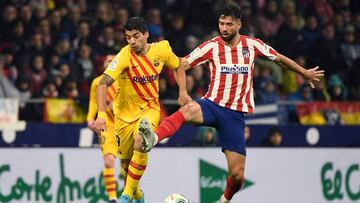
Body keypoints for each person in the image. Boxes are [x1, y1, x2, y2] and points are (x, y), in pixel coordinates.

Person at [138, 4, 324, 203]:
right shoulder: (211, 46)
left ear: (239, 24)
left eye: (228, 24)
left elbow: (278, 58)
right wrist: (183, 92)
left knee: (237, 175)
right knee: (189, 108)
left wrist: (303, 72)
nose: (224, 28)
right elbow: (181, 64)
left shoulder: (252, 45)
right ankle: (153, 138)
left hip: (234, 116)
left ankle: (224, 200)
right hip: (211, 105)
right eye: (221, 23)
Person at [92, 17, 187, 203]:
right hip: (123, 116)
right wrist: (101, 114)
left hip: (150, 110)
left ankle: (125, 196)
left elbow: (179, 65)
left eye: (136, 36)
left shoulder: (162, 49)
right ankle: (138, 197)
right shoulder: (124, 56)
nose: (132, 41)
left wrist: (182, 92)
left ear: (146, 34)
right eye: (128, 37)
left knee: (141, 141)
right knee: (126, 168)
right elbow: (102, 84)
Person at [87, 55, 119, 203]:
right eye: (108, 61)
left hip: (124, 124)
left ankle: (128, 196)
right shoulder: (97, 82)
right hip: (107, 126)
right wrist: (89, 118)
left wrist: (117, 106)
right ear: (104, 64)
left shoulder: (123, 80)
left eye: (113, 61)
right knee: (108, 161)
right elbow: (94, 101)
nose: (110, 63)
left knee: (126, 163)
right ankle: (112, 198)